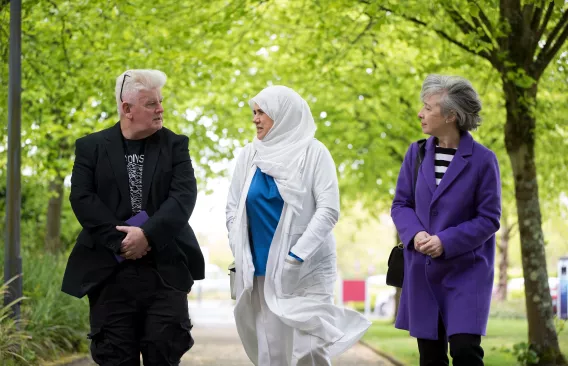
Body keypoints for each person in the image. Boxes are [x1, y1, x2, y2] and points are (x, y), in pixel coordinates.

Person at [61, 69, 205, 366]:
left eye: (160, 102)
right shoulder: (90, 147)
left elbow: (183, 198)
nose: (160, 109)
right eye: (151, 104)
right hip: (109, 271)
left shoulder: (175, 145)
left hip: (165, 268)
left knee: (164, 351)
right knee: (114, 356)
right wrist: (123, 242)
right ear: (127, 108)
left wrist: (147, 235)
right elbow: (83, 199)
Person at [226, 85, 371, 366]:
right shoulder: (249, 156)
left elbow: (328, 210)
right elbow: (233, 208)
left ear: (283, 115)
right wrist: (239, 248)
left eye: (262, 112)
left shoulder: (314, 153)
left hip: (305, 269)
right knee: (271, 350)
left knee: (309, 348)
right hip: (260, 270)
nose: (255, 119)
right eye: (253, 113)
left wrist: (295, 256)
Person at [391, 74, 502, 366]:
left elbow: (489, 218)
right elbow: (401, 204)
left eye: (428, 107)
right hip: (422, 272)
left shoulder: (483, 160)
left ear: (452, 115)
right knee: (430, 357)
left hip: (467, 272)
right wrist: (414, 234)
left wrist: (446, 241)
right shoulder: (415, 153)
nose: (421, 113)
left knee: (466, 352)